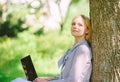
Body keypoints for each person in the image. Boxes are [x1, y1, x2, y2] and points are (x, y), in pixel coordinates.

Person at [34, 14, 92, 82]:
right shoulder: (75, 48)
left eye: (80, 25)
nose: (75, 26)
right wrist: (49, 79)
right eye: (73, 24)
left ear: (87, 30)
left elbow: (73, 80)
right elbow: (66, 78)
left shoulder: (82, 50)